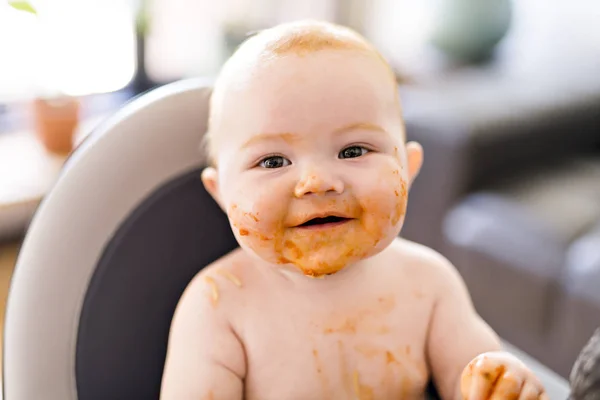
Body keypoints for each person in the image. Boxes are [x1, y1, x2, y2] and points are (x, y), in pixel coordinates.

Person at [160, 20, 548, 400]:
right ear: (221, 193)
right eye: (274, 161)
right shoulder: (218, 307)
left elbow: (478, 379)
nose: (317, 181)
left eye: (353, 151)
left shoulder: (429, 286)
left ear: (408, 170)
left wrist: (501, 382)